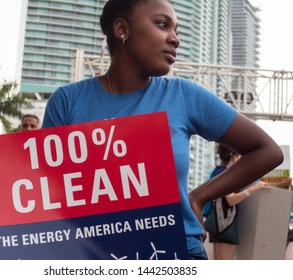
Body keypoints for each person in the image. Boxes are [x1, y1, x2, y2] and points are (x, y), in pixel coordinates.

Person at [42, 0, 283, 259]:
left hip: (175, 251)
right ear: (122, 28)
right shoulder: (67, 101)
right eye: (162, 25)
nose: (175, 39)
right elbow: (46, 193)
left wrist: (199, 197)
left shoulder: (184, 95)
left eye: (176, 30)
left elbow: (267, 152)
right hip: (95, 255)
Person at [203, 144, 267, 260]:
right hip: (226, 226)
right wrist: (253, 189)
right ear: (234, 156)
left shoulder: (217, 172)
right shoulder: (228, 174)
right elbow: (230, 200)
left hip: (217, 225)